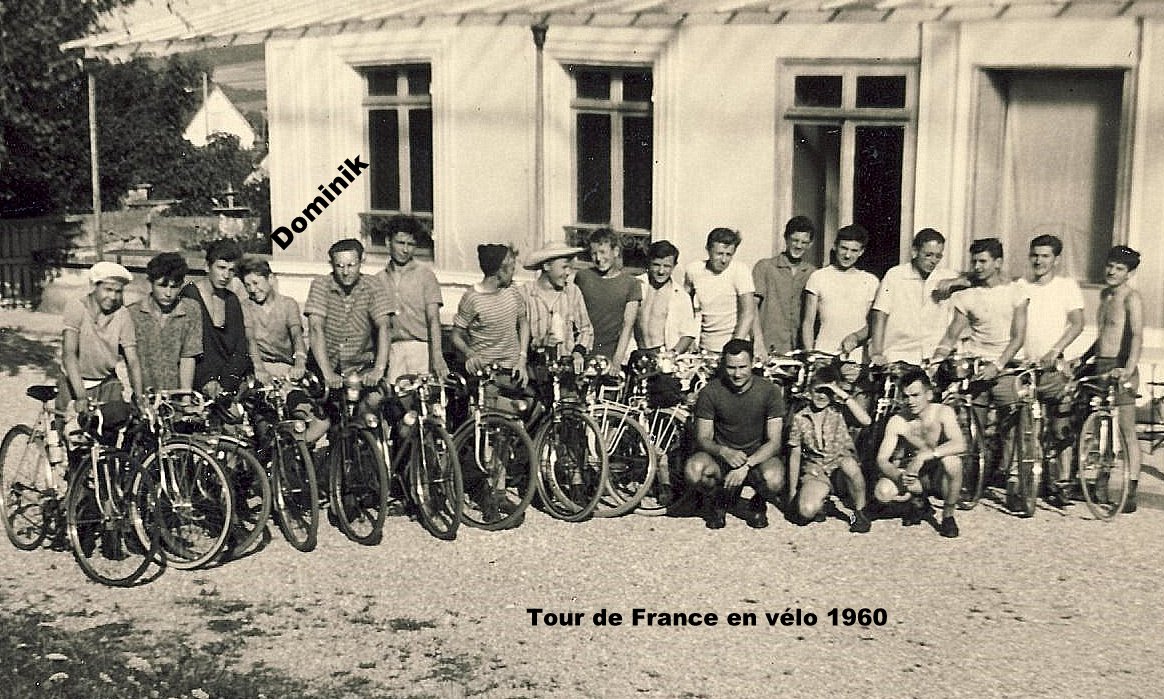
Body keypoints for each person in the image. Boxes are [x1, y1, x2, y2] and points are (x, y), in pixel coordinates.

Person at [1013, 234, 1085, 506]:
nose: (1038, 260)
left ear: (1056, 259)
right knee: (1026, 427)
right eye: (1035, 255)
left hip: (1053, 367)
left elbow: (1078, 323)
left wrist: (1055, 351)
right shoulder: (1020, 286)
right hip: (1026, 367)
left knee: (1059, 428)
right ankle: (1027, 482)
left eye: (1045, 256)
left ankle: (1061, 484)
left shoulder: (1066, 286)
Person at [685, 339, 786, 529]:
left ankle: (758, 503)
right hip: (722, 458)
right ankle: (719, 500)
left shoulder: (770, 391)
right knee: (694, 470)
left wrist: (746, 466)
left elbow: (774, 442)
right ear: (724, 365)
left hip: (756, 459)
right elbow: (703, 438)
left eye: (742, 367)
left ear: (753, 362)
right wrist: (724, 451)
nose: (737, 374)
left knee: (775, 479)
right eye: (731, 367)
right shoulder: (710, 391)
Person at [1079, 245, 1144, 513]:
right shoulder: (1105, 295)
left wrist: (1128, 368)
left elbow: (1137, 336)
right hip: (1101, 367)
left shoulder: (1132, 298)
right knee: (1099, 427)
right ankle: (1100, 484)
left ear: (1128, 273)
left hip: (1121, 366)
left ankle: (1131, 487)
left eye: (1119, 268)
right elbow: (1104, 335)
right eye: (1110, 266)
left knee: (1126, 429)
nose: (1112, 272)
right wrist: (1083, 360)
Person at [239, 256, 329, 444]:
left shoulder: (288, 304)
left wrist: (300, 362)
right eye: (247, 285)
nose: (253, 290)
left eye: (256, 283)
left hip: (286, 371)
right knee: (264, 423)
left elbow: (297, 335)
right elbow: (250, 339)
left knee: (312, 416)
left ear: (270, 279)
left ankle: (299, 448)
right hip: (260, 370)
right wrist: (259, 368)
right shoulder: (245, 307)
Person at [874, 369, 965, 537]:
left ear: (929, 394)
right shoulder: (898, 421)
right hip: (914, 474)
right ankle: (917, 501)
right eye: (906, 396)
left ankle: (948, 516)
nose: (910, 401)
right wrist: (899, 476)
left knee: (953, 462)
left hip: (938, 474)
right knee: (883, 492)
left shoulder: (943, 412)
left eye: (915, 395)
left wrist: (924, 455)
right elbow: (882, 459)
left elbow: (959, 444)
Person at [303, 238, 393, 391]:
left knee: (374, 404)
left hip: (360, 367)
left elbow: (385, 326)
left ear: (361, 261)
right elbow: (316, 328)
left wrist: (378, 369)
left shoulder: (373, 285)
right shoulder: (320, 285)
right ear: (332, 265)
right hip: (325, 364)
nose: (345, 272)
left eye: (351, 265)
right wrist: (328, 374)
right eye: (339, 266)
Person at [789, 368, 872, 532]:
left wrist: (841, 393)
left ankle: (860, 513)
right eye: (818, 391)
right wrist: (792, 493)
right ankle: (822, 502)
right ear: (809, 391)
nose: (821, 396)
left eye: (827, 392)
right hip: (817, 471)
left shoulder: (838, 411)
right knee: (806, 511)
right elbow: (795, 454)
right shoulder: (800, 417)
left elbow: (866, 421)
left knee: (849, 463)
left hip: (841, 470)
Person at [58, 261, 144, 416]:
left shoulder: (122, 314)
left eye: (118, 291)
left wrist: (139, 397)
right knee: (64, 431)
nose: (113, 296)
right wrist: (81, 396)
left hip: (106, 382)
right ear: (94, 286)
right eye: (108, 289)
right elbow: (69, 354)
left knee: (111, 429)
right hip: (74, 381)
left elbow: (133, 360)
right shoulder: (77, 307)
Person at [181, 238, 263, 395]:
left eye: (231, 270)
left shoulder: (231, 300)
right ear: (207, 266)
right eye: (221, 268)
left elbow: (240, 349)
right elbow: (187, 350)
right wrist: (207, 380)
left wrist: (225, 383)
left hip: (229, 381)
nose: (226, 275)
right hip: (199, 380)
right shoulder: (190, 296)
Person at [868, 228, 961, 366]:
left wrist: (957, 281)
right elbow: (880, 314)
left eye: (938, 256)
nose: (933, 261)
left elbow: (979, 277)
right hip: (900, 355)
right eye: (928, 255)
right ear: (915, 251)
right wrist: (877, 352)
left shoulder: (946, 277)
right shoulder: (895, 275)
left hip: (934, 358)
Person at [373, 217, 448, 382]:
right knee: (395, 403)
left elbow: (433, 319)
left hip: (422, 349)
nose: (405, 250)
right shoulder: (378, 279)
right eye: (400, 243)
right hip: (393, 351)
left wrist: (437, 356)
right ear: (388, 242)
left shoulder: (426, 276)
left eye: (411, 244)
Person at [450, 243, 529, 385]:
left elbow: (523, 321)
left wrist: (522, 358)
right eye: (511, 269)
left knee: (533, 406)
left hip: (513, 370)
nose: (513, 274)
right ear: (500, 271)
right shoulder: (472, 298)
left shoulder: (511, 290)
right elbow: (456, 335)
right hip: (485, 374)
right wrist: (469, 354)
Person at [128, 252, 203, 392]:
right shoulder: (133, 313)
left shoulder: (191, 310)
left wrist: (185, 397)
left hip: (175, 398)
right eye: (162, 286)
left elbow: (188, 356)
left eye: (174, 287)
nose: (168, 293)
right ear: (150, 282)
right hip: (143, 396)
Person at [802, 224, 879, 360]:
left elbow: (874, 325)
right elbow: (808, 322)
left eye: (854, 250)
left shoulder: (870, 281)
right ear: (835, 246)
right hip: (823, 356)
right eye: (844, 248)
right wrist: (811, 355)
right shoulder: (818, 276)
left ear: (861, 252)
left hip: (857, 359)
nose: (848, 255)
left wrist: (855, 337)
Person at [519, 242, 593, 372]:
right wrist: (539, 342)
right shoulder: (524, 294)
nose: (568, 272)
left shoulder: (572, 292)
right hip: (533, 372)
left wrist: (578, 352)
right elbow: (516, 333)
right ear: (547, 266)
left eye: (570, 268)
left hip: (565, 372)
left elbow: (586, 329)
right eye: (564, 267)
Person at [573, 228, 642, 369]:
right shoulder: (583, 277)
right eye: (593, 254)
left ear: (615, 252)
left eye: (603, 252)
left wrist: (617, 360)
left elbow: (627, 326)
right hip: (583, 351)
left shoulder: (631, 283)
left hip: (611, 354)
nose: (598, 258)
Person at [753, 216, 817, 357]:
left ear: (810, 244)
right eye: (795, 240)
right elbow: (752, 308)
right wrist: (758, 342)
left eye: (804, 242)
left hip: (800, 351)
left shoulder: (813, 273)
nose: (799, 246)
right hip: (769, 349)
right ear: (786, 238)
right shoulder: (765, 267)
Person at [683, 227, 755, 354]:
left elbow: (748, 312)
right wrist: (689, 338)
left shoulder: (740, 270)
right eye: (719, 253)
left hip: (736, 344)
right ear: (708, 249)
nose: (724, 260)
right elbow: (684, 308)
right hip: (706, 346)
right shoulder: (693, 270)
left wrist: (734, 346)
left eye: (729, 255)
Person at [633, 240, 696, 356]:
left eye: (667, 266)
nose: (661, 271)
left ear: (674, 266)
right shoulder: (636, 285)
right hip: (636, 351)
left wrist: (672, 353)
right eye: (656, 265)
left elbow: (688, 334)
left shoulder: (681, 296)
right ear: (648, 263)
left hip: (663, 354)